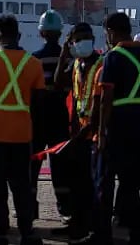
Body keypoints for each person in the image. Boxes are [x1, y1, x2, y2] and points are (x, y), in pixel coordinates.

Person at [0, 14, 45, 245]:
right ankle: (27, 233)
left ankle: (0, 234)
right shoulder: (33, 63)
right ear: (19, 34)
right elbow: (37, 102)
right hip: (21, 131)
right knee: (21, 186)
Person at [92, 11, 140, 244]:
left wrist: (100, 132)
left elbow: (106, 98)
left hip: (118, 124)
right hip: (138, 125)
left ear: (111, 32)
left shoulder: (113, 57)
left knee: (105, 181)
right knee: (132, 183)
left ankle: (102, 235)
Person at [54, 22, 100, 241]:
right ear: (71, 43)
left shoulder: (100, 64)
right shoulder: (76, 64)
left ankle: (89, 227)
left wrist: (85, 131)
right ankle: (76, 223)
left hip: (93, 134)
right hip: (78, 132)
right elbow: (58, 83)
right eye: (78, 39)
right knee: (76, 183)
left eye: (87, 37)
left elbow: (101, 103)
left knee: (89, 185)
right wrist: (64, 55)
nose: (84, 42)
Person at [31, 9, 72, 220]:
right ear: (60, 32)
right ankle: (65, 210)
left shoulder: (34, 59)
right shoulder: (69, 59)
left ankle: (29, 208)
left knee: (33, 165)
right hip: (60, 116)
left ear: (41, 33)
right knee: (60, 167)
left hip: (37, 117)